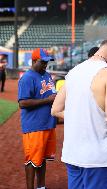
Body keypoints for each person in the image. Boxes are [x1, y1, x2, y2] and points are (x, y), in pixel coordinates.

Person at [51, 38, 107, 189]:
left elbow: (55, 110)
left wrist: (81, 115)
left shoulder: (74, 71)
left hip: (73, 155)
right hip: (98, 158)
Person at [18, 48, 57, 189]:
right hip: (34, 126)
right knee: (32, 160)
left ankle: (41, 186)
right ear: (34, 61)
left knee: (42, 159)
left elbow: (51, 95)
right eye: (42, 62)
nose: (45, 65)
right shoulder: (27, 78)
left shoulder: (46, 75)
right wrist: (47, 100)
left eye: (47, 62)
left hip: (48, 123)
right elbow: (23, 103)